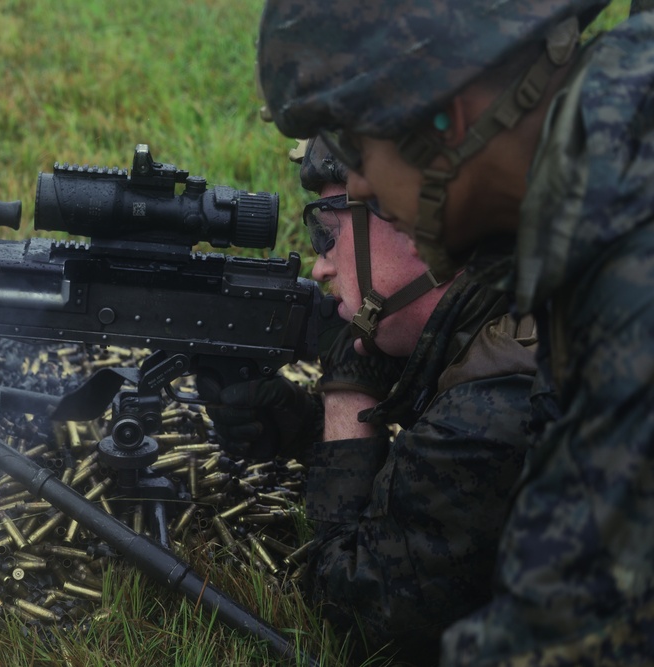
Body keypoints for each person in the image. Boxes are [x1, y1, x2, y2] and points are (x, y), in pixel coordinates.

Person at [256, 1, 654, 665]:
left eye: (356, 146)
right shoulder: (607, 157)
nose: (355, 182)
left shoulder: (624, 275)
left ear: (443, 122)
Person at [207, 142, 537, 664]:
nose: (320, 266)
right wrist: (311, 433)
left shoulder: (489, 419)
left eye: (329, 234)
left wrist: (349, 387)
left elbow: (362, 611)